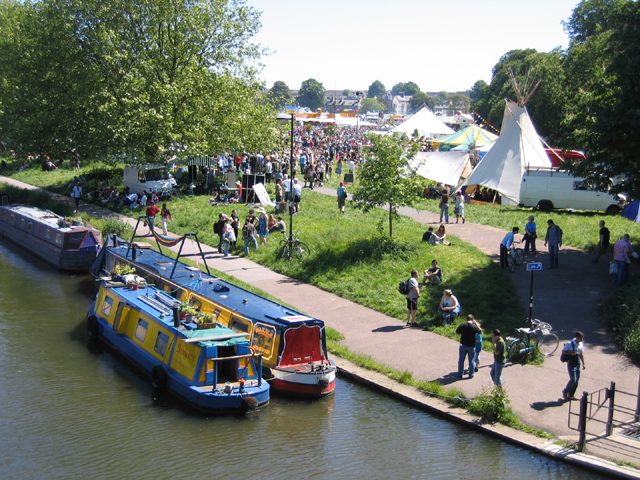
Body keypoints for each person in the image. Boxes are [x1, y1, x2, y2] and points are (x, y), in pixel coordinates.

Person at [455, 315, 482, 379]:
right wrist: (477, 325)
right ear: (473, 320)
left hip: (463, 345)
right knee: (471, 361)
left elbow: (457, 332)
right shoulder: (474, 326)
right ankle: (471, 374)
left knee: (461, 360)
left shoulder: (462, 325)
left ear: (467, 319)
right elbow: (480, 332)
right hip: (471, 346)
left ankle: (460, 374)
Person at [562, 331, 586, 401]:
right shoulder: (569, 344)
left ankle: (571, 395)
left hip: (577, 363)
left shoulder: (581, 344)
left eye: (582, 338)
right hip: (571, 363)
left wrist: (583, 363)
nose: (582, 340)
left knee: (577, 381)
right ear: (577, 337)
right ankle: (565, 391)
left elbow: (581, 354)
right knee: (573, 379)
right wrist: (571, 354)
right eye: (580, 338)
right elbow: (563, 352)